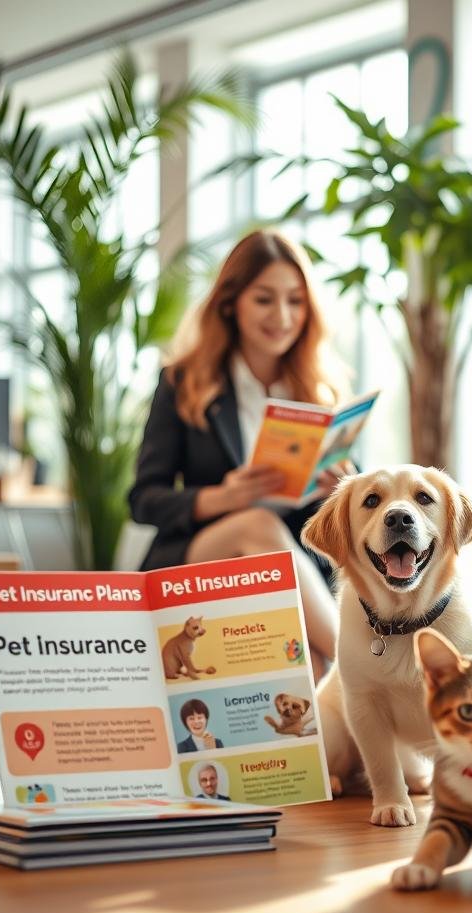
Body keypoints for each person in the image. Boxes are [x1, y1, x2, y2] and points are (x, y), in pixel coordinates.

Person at [130, 229, 351, 681]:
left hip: (286, 568)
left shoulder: (317, 392)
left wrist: (342, 487)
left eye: (295, 301)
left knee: (308, 660)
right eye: (265, 299)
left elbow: (335, 517)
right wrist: (220, 498)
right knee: (257, 523)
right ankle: (363, 668)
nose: (283, 316)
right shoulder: (183, 382)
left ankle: (332, 717)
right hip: (199, 552)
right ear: (232, 302)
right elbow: (143, 499)